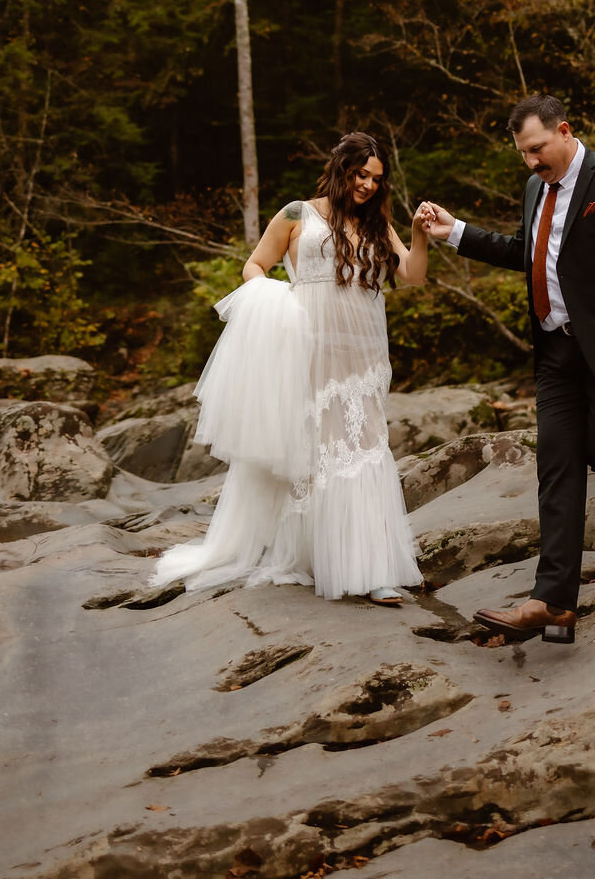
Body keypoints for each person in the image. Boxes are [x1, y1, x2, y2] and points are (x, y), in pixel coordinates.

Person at [427, 95, 595, 645]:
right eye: (523, 154)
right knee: (557, 464)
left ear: (565, 131)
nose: (531, 162)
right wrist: (457, 233)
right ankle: (554, 601)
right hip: (555, 353)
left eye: (537, 149)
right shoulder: (534, 188)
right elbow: (532, 252)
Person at [152, 132, 433, 606]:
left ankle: (374, 567)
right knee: (316, 452)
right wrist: (276, 302)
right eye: (360, 174)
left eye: (376, 179)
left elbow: (413, 275)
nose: (366, 185)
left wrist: (420, 234)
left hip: (362, 351)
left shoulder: (375, 223)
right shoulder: (295, 214)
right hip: (307, 346)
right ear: (341, 168)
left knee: (365, 449)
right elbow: (254, 267)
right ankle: (318, 558)